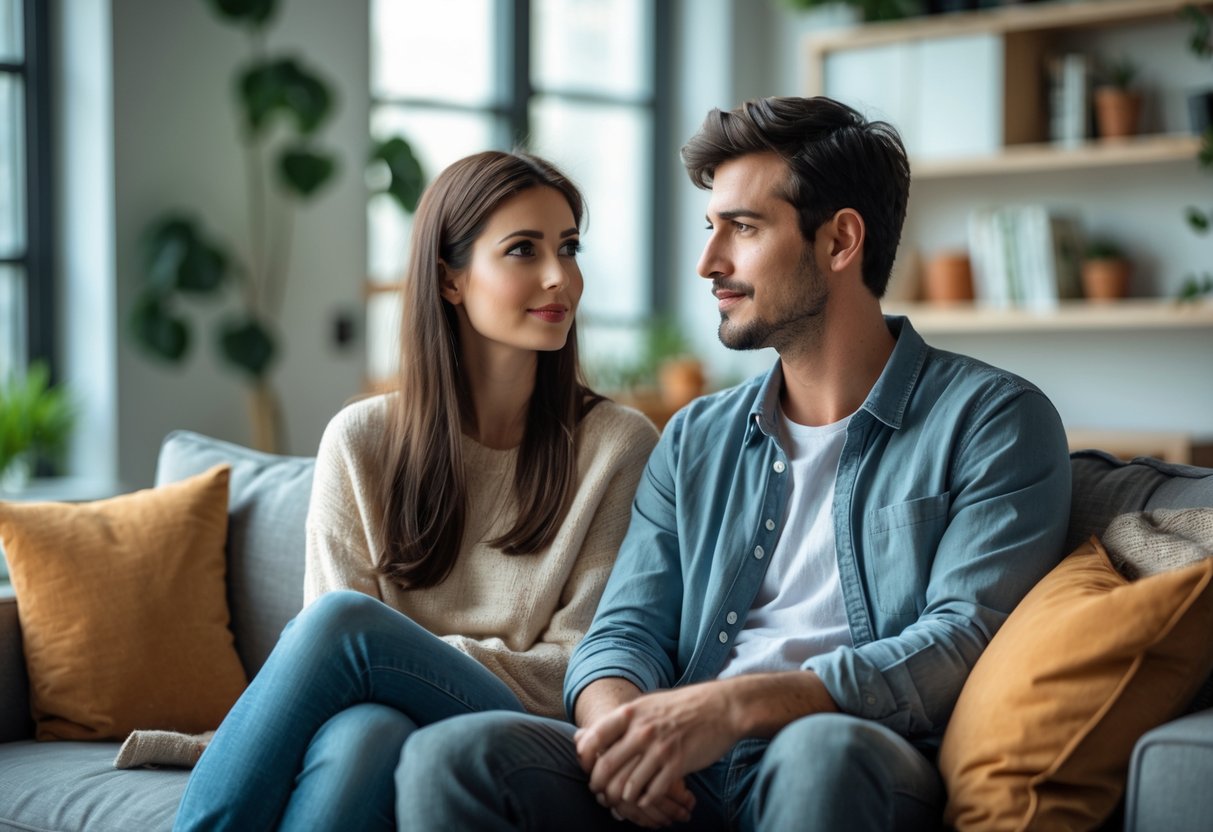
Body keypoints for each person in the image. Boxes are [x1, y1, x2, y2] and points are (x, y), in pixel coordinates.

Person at [393, 96, 1073, 831]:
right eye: (710, 227)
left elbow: (960, 636)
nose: (707, 262)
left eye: (742, 229)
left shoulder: (993, 422)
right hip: (688, 767)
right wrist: (624, 736)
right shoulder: (694, 438)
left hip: (852, 755)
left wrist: (735, 704)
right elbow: (623, 633)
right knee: (454, 756)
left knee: (819, 752)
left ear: (840, 240)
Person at [172, 150, 659, 832]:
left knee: (346, 628)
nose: (560, 278)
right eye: (523, 250)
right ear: (450, 279)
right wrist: (397, 668)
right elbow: (331, 679)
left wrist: (404, 657)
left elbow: (580, 663)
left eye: (568, 248)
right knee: (363, 734)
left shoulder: (617, 445)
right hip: (378, 713)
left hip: (524, 730)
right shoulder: (362, 440)